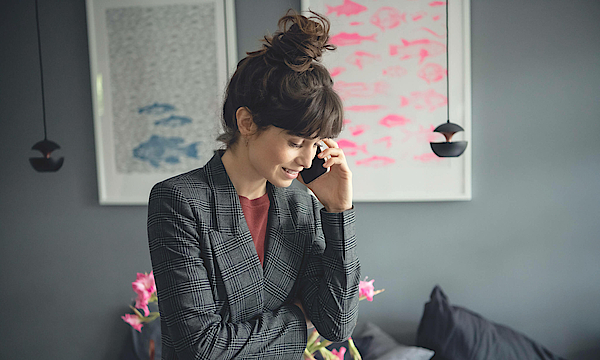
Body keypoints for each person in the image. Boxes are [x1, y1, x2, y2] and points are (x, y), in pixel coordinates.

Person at [147, 10, 360, 360]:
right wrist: (296, 320)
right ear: (246, 122)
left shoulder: (299, 205)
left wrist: (338, 211)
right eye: (295, 143)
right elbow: (200, 349)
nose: (308, 161)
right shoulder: (179, 200)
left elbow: (336, 325)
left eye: (316, 144)